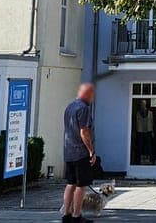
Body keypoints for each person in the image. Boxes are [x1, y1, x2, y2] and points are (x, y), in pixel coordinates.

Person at [62, 83, 97, 223]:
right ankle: (76, 216)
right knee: (81, 185)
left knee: (70, 183)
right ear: (87, 94)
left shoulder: (69, 107)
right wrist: (91, 151)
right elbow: (84, 132)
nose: (93, 97)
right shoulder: (83, 109)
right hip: (80, 153)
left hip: (68, 151)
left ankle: (66, 214)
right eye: (92, 94)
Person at [134, 100, 154, 164]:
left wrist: (152, 131)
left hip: (148, 131)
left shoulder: (150, 113)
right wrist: (136, 131)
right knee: (140, 146)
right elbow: (136, 123)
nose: (143, 105)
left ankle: (150, 159)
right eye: (142, 104)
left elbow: (152, 122)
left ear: (146, 104)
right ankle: (139, 160)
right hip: (140, 131)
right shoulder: (138, 113)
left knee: (148, 146)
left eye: (144, 104)